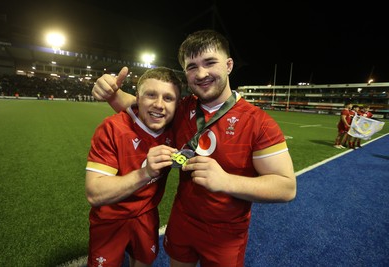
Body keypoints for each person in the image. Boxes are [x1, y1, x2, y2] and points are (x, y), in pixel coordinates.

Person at [92, 29, 297, 267]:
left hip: (226, 233)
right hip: (182, 221)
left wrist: (226, 181)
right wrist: (109, 92)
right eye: (192, 67)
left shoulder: (259, 123)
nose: (201, 74)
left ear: (229, 65)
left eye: (210, 63)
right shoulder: (181, 108)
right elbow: (140, 107)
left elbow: (286, 187)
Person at [85, 66, 182, 267]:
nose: (159, 105)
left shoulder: (177, 129)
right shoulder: (112, 128)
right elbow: (95, 193)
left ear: (178, 104)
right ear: (137, 97)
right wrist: (145, 173)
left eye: (168, 98)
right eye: (151, 95)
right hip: (109, 218)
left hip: (147, 215)